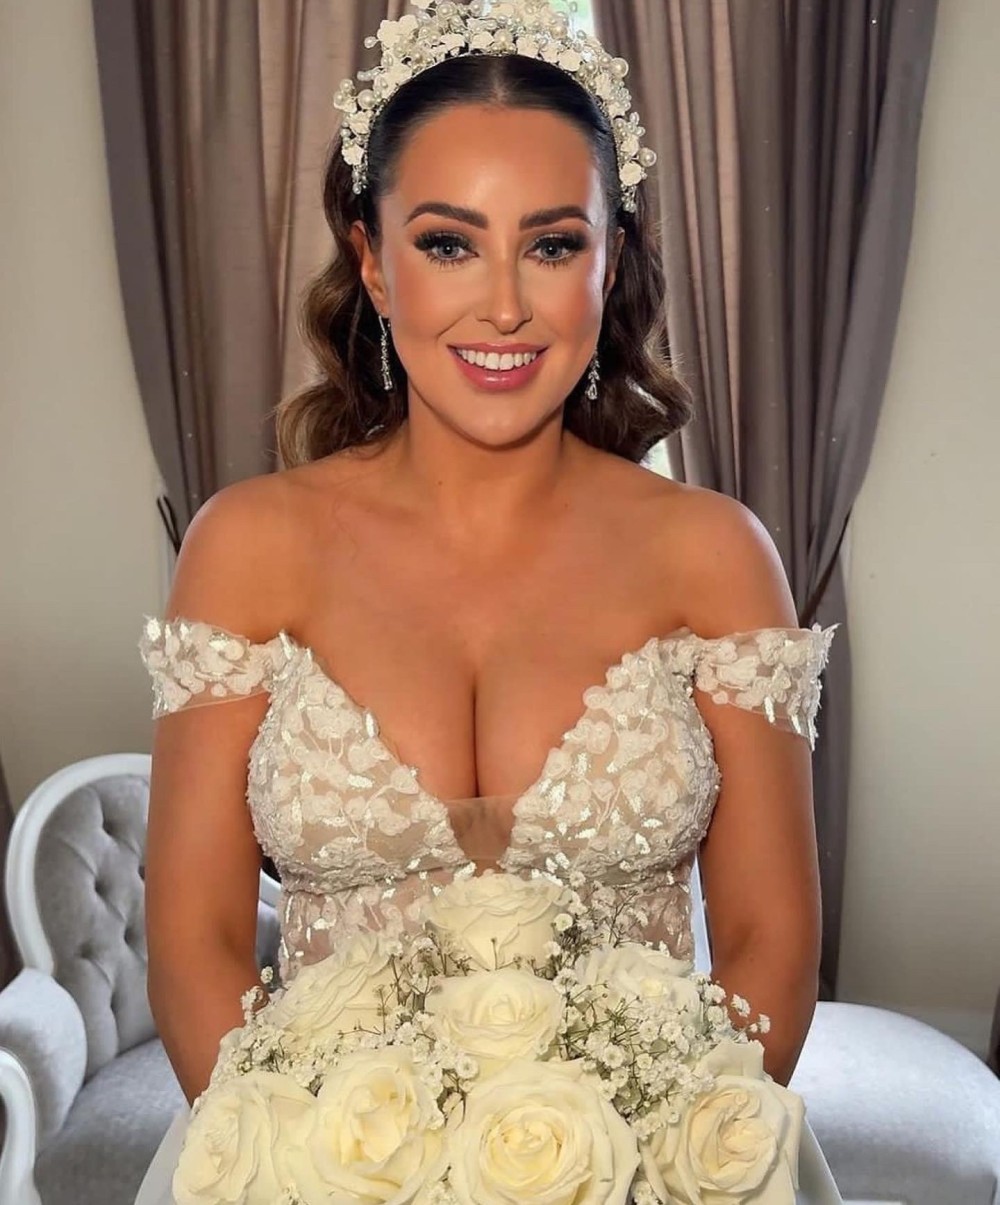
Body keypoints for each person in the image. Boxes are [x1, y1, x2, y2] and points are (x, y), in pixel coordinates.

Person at [133, 2, 842, 1201]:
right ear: (372, 260)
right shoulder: (247, 547)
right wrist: (303, 1174)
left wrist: (656, 1171)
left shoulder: (715, 555)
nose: (503, 306)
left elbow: (771, 945)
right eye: (449, 244)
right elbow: (193, 942)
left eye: (552, 245)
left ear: (611, 259)